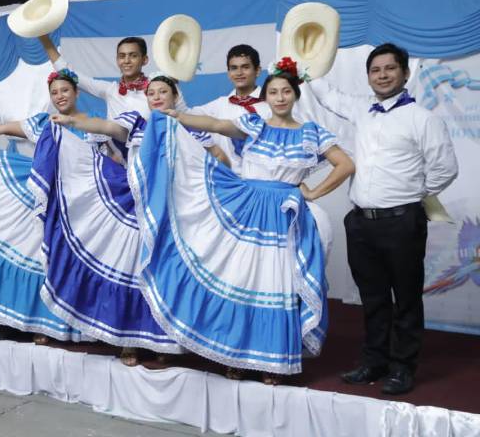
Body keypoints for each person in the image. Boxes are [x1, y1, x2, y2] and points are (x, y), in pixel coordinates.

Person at [132, 57, 354, 383]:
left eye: (285, 91)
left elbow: (345, 165)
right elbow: (218, 126)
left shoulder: (311, 133)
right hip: (248, 207)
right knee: (242, 279)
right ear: (266, 97)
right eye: (273, 92)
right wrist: (177, 115)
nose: (279, 97)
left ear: (295, 95)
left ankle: (272, 361)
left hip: (283, 215)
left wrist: (313, 193)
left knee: (275, 284)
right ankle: (235, 355)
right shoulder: (255, 124)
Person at [47, 75, 229, 365]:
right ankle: (128, 340)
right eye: (151, 92)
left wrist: (222, 183)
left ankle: (167, 342)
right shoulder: (135, 123)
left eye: (162, 92)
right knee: (132, 274)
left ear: (174, 95)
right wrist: (74, 123)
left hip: (174, 213)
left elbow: (218, 154)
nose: (156, 97)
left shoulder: (190, 128)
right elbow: (107, 127)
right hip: (137, 210)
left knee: (164, 276)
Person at [310, 43, 458, 395]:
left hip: (402, 221)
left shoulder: (422, 118)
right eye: (375, 70)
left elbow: (445, 169)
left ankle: (403, 367)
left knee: (405, 298)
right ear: (369, 76)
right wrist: (303, 64)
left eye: (390, 68)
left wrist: (408, 194)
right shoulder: (362, 110)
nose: (382, 75)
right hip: (361, 222)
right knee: (373, 298)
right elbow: (328, 95)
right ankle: (373, 360)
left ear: (405, 73)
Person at [0, 68, 112, 345]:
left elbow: (111, 165)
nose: (60, 96)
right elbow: (2, 128)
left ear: (76, 92)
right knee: (47, 261)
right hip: (50, 203)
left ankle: (84, 327)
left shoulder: (95, 126)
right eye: (54, 92)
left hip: (83, 210)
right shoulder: (45, 123)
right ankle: (46, 324)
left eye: (65, 90)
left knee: (79, 264)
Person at [189, 44, 270, 176]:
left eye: (245, 67)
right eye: (234, 68)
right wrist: (173, 82)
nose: (239, 73)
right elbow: (186, 115)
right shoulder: (219, 106)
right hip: (229, 182)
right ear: (228, 73)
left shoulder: (272, 104)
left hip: (265, 181)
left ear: (258, 70)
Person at [38, 35, 151, 119]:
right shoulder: (110, 90)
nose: (126, 61)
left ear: (144, 60)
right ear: (117, 60)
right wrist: (43, 37)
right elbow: (67, 72)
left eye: (133, 56)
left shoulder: (156, 90)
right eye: (122, 56)